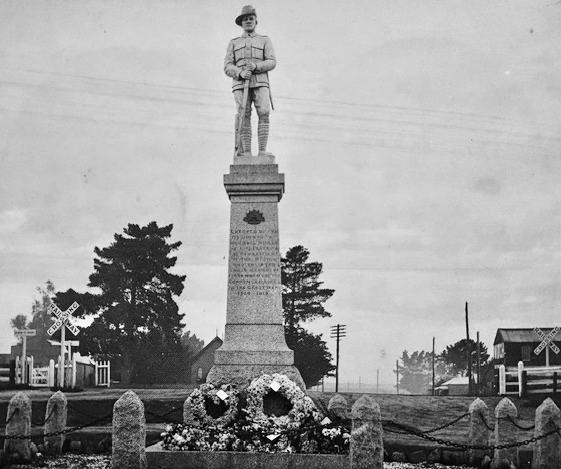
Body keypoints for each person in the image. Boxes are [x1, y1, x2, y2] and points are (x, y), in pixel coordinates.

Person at [224, 5, 276, 156]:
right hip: (240, 84)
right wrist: (240, 73)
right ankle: (246, 152)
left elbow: (272, 61)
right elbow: (227, 66)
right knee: (243, 114)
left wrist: (256, 66)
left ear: (256, 21)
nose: (248, 21)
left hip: (260, 82)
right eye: (245, 19)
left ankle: (262, 151)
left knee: (264, 112)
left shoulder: (265, 40)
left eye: (251, 18)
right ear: (241, 23)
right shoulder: (234, 43)